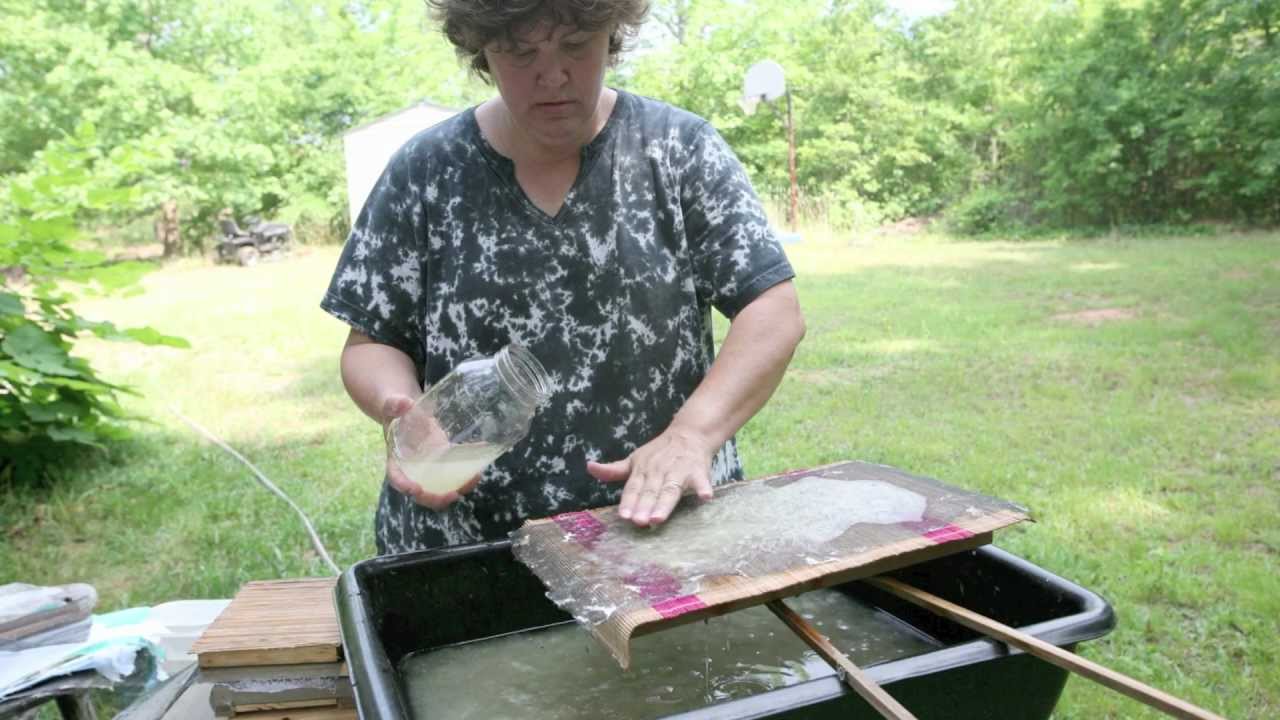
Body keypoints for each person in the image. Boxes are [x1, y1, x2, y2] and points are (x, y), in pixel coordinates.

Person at [321, 0, 805, 556]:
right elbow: (371, 342)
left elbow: (774, 312)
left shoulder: (678, 150)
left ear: (611, 33)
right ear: (482, 48)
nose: (552, 75)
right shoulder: (426, 170)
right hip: (466, 550)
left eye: (575, 45)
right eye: (521, 52)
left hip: (660, 535)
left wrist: (692, 434)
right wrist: (404, 410)